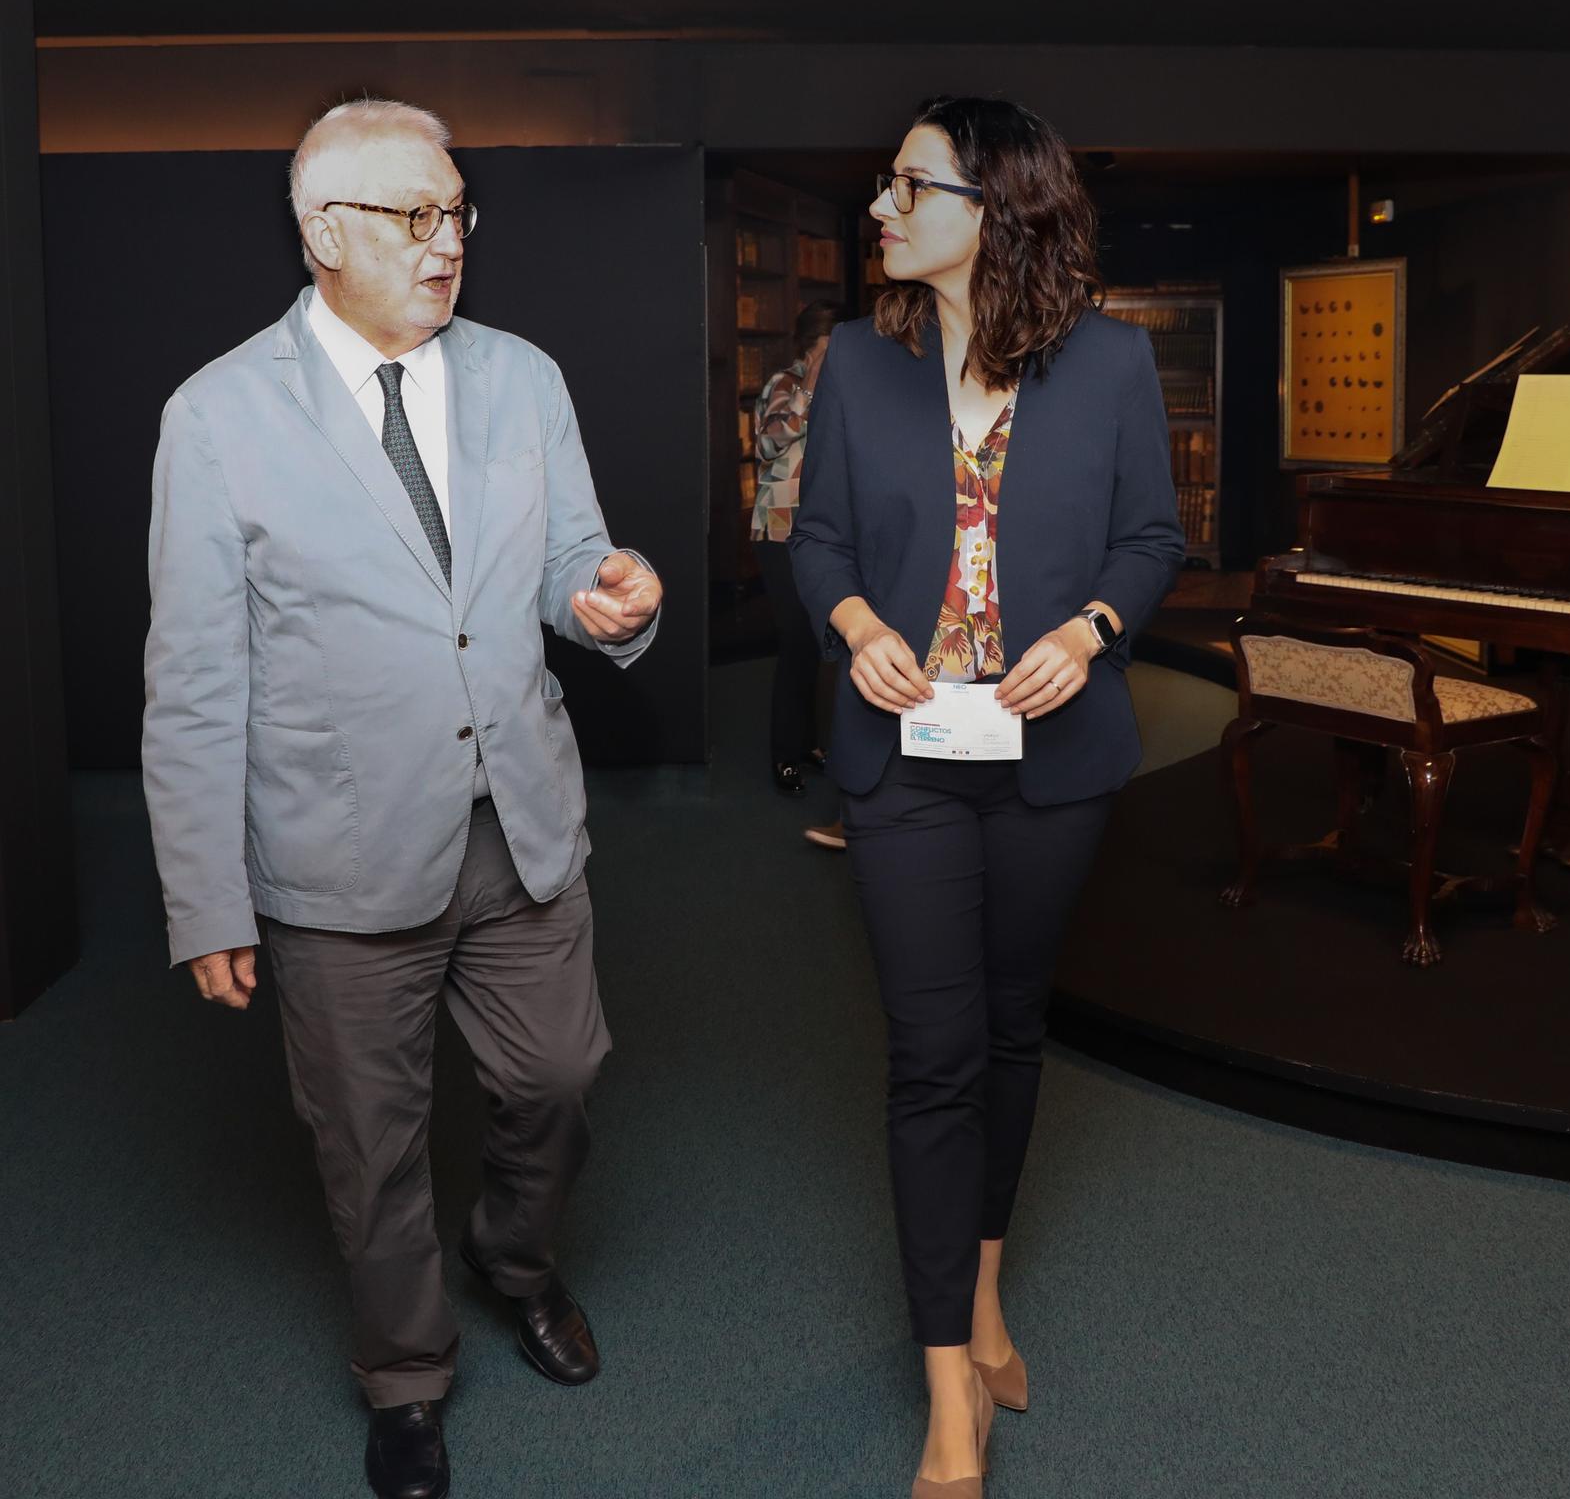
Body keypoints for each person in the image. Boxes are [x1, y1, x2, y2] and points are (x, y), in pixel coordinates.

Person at [141, 98, 662, 1499]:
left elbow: (572, 561)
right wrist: (206, 898)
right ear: (324, 233)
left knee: (562, 1076)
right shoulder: (217, 416)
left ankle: (515, 1258)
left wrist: (609, 604)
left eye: (459, 215)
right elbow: (194, 682)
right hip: (334, 849)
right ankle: (407, 1373)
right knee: (367, 1146)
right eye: (415, 218)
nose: (450, 247)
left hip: (521, 823)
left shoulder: (522, 376)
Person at [790, 95, 1183, 1497]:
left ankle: (986, 1288)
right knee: (933, 1057)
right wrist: (853, 626)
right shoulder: (853, 359)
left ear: (993, 208)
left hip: (1053, 761)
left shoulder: (1115, 368)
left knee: (1015, 1033)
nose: (880, 207)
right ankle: (946, 1392)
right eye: (887, 182)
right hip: (901, 761)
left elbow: (1154, 535)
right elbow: (818, 536)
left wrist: (1091, 628)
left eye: (910, 183)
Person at [749, 298, 847, 850]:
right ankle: (784, 755)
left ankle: (810, 742)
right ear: (815, 346)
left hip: (820, 537)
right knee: (795, 644)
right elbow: (766, 443)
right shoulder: (785, 384)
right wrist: (810, 382)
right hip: (779, 534)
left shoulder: (842, 391)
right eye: (832, 349)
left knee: (817, 644)